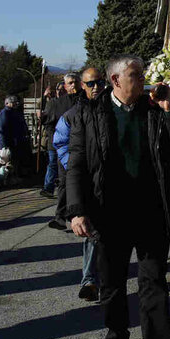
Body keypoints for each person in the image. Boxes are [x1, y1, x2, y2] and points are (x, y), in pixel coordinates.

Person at [66, 55, 170, 339]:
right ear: (116, 80)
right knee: (112, 286)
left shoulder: (155, 110)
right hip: (110, 215)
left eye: (142, 73)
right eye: (136, 75)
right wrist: (77, 210)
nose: (144, 79)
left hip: (151, 213)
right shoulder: (90, 114)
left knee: (154, 286)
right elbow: (76, 164)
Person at [54, 67, 107, 301]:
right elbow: (61, 144)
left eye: (99, 82)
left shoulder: (112, 111)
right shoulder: (73, 114)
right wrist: (74, 165)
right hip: (84, 180)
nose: (96, 87)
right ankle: (90, 279)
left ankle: (98, 278)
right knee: (91, 232)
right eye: (90, 83)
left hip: (107, 182)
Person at [40, 72, 80, 200]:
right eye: (70, 83)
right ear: (65, 86)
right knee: (59, 172)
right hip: (61, 144)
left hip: (80, 145)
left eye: (75, 82)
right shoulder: (56, 104)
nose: (73, 85)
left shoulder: (86, 100)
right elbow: (48, 122)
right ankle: (50, 190)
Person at [0, 94, 30, 176]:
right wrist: (4, 145)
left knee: (17, 162)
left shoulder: (15, 112)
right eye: (13, 102)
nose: (15, 104)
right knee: (10, 164)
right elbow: (3, 130)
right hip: (10, 143)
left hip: (18, 142)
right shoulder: (4, 114)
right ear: (7, 103)